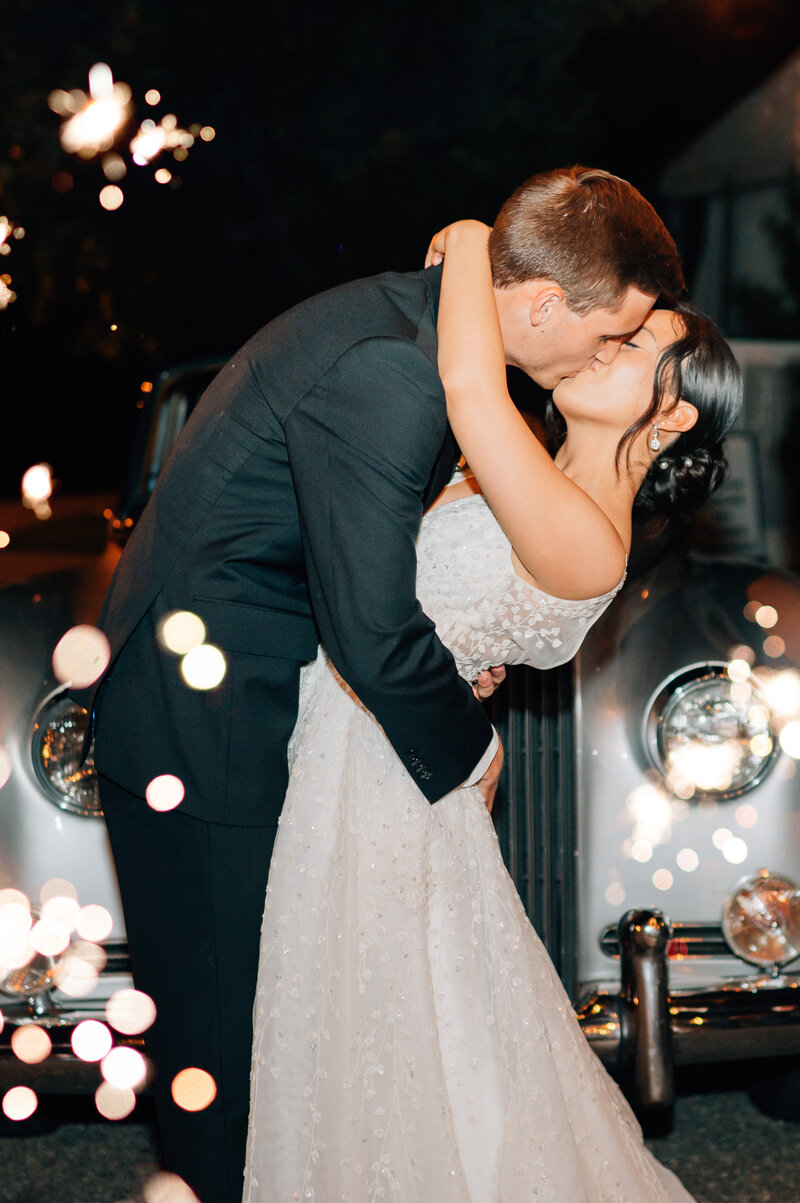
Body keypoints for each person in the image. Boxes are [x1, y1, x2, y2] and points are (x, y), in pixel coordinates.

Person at [77, 167, 685, 1203]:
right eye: (603, 333)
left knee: (292, 1026)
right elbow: (368, 624)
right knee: (226, 1037)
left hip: (270, 702)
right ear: (540, 303)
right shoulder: (395, 371)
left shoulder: (432, 341)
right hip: (211, 714)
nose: (602, 354)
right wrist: (471, 748)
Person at [241, 221, 742, 1200]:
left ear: (672, 416)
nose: (603, 344)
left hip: (387, 784)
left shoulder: (591, 536)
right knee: (402, 1047)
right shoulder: (536, 477)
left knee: (390, 1044)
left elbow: (472, 387)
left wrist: (473, 243)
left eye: (631, 345)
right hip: (364, 752)